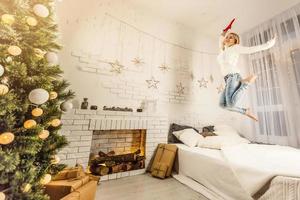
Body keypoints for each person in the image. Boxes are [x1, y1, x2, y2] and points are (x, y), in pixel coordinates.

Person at [217, 30, 276, 121]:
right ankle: (245, 111)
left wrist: (269, 44)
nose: (228, 38)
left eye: (231, 37)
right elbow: (221, 41)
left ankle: (246, 84)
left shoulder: (235, 48)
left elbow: (251, 49)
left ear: (235, 41)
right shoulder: (223, 50)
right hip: (228, 79)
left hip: (233, 76)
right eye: (227, 37)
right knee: (222, 105)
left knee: (231, 104)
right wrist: (223, 34)